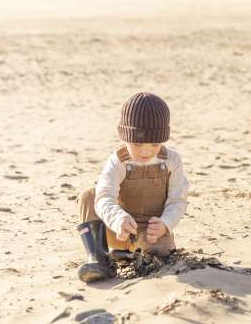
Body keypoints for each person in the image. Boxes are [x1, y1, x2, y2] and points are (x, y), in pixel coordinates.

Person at [75, 92, 189, 283]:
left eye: (154, 144)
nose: (145, 151)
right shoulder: (118, 161)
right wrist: (118, 219)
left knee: (160, 255)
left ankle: (133, 256)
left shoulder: (172, 161)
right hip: (120, 229)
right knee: (89, 195)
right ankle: (100, 259)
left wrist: (165, 224)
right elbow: (104, 197)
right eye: (136, 144)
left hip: (152, 232)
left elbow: (178, 200)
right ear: (124, 137)